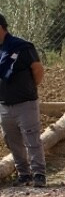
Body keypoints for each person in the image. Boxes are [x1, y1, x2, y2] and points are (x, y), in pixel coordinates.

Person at [0, 13, 46, 187]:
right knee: (12, 141)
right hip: (4, 104)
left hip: (25, 103)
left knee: (32, 139)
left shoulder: (22, 47)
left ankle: (39, 174)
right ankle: (23, 174)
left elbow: (38, 70)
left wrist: (29, 88)